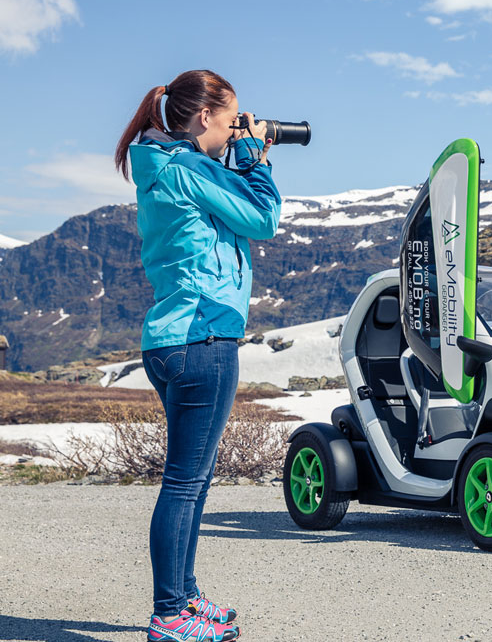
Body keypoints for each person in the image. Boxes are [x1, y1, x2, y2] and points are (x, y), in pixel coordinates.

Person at [114, 69, 281, 641]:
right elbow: (263, 218)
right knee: (185, 483)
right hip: (203, 338)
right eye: (232, 118)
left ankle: (184, 597)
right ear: (205, 116)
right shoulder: (188, 168)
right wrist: (255, 158)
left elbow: (228, 214)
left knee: (193, 479)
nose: (236, 128)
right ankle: (169, 614)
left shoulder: (163, 166)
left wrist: (236, 159)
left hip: (172, 340)